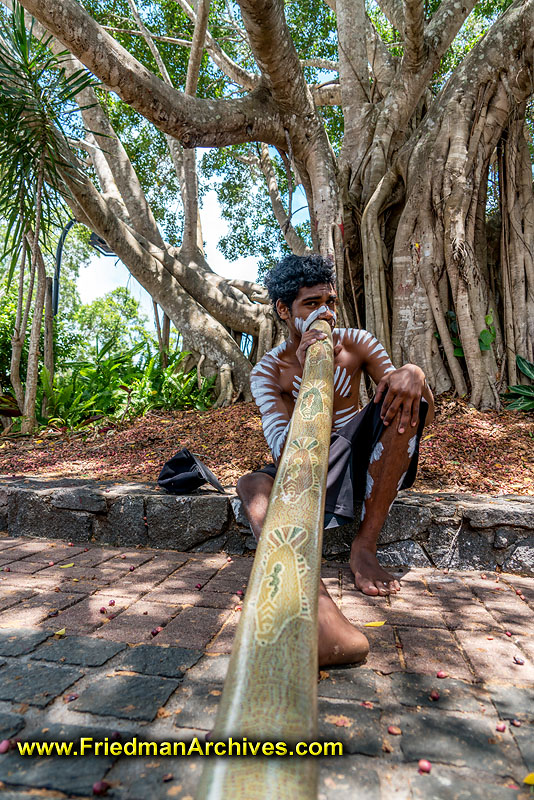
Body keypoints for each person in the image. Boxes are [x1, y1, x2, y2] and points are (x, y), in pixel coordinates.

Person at [237, 254, 434, 666]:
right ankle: (316, 603)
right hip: (306, 460)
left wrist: (412, 372)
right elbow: (282, 450)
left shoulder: (358, 343)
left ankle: (364, 546)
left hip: (361, 452)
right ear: (284, 310)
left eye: (329, 302)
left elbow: (406, 399)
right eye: (310, 304)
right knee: (252, 487)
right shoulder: (268, 372)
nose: (324, 312)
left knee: (408, 400)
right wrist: (312, 377)